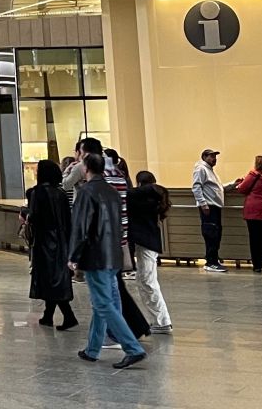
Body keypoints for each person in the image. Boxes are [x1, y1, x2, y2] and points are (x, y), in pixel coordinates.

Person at [69, 153, 145, 369]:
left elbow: (81, 227)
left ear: (86, 169)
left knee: (103, 303)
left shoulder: (86, 192)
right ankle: (93, 348)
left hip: (96, 256)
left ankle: (133, 348)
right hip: (113, 253)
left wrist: (73, 256)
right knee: (104, 302)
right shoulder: (112, 191)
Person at [25, 159, 77, 329]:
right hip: (62, 240)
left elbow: (34, 217)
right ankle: (48, 315)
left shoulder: (37, 193)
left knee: (49, 278)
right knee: (57, 278)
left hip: (45, 241)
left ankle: (68, 316)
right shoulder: (60, 193)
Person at [125, 171, 173, 333]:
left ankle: (162, 321)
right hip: (149, 243)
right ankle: (160, 321)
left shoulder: (142, 197)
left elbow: (129, 193)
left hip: (145, 243)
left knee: (147, 281)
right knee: (146, 280)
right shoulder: (154, 198)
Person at [233, 155, 262, 273]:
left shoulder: (252, 175)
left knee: (255, 241)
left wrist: (241, 182)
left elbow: (242, 189)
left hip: (253, 212)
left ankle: (257, 265)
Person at [190, 149, 226, 272]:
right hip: (209, 206)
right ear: (204, 157)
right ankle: (211, 262)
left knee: (216, 233)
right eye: (211, 156)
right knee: (211, 234)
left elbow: (216, 188)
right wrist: (203, 204)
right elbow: (196, 187)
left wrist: (232, 185)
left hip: (214, 206)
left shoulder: (210, 170)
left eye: (215, 156)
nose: (214, 159)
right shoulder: (201, 169)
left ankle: (213, 259)